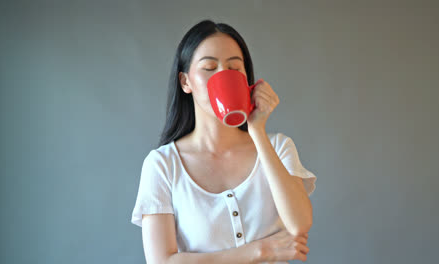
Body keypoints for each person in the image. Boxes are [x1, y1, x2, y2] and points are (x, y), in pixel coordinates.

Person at [131, 19, 317, 264]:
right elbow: (161, 261)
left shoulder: (278, 147)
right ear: (185, 82)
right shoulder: (162, 165)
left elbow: (299, 224)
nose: (223, 76)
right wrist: (260, 251)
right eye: (209, 67)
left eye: (234, 69)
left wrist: (257, 131)